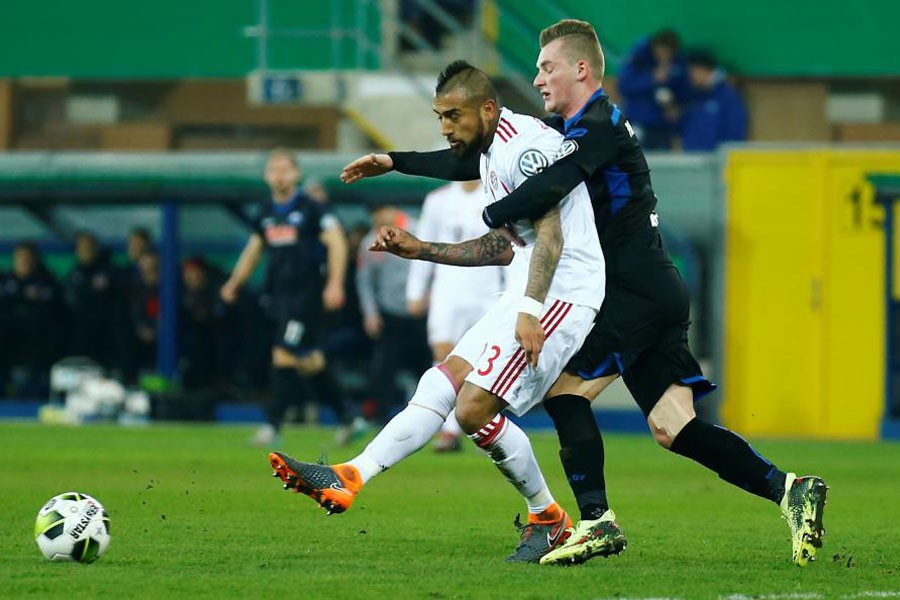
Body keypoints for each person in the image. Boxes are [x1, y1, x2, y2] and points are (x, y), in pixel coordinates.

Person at [338, 20, 827, 569]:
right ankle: (791, 489)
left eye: (547, 67)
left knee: (564, 393)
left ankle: (595, 522)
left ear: (581, 69)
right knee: (674, 427)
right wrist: (397, 161)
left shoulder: (600, 125)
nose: (538, 77)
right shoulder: (566, 126)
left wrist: (494, 213)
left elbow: (552, 184)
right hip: (652, 286)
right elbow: (472, 160)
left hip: (630, 287)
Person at [269, 60, 606, 564]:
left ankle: (550, 520)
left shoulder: (526, 149)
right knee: (441, 379)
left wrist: (531, 309)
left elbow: (551, 234)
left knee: (473, 410)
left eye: (453, 117)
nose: (445, 128)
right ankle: (351, 476)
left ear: (487, 109)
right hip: (529, 283)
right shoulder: (493, 150)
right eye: (439, 117)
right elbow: (502, 246)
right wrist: (419, 242)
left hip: (563, 289)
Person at [221, 148, 353, 447]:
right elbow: (255, 248)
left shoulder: (311, 208)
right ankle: (348, 416)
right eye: (273, 170)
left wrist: (335, 284)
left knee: (283, 353)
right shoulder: (267, 211)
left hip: (305, 297)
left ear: (296, 174)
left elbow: (337, 242)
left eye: (285, 169)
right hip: (279, 297)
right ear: (267, 176)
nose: (279, 175)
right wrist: (234, 282)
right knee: (310, 362)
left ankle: (272, 425)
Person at [405, 180, 507, 451]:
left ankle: (478, 424)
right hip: (447, 290)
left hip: (487, 290)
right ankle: (449, 430)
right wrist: (416, 290)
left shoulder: (495, 193)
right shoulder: (438, 200)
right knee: (444, 355)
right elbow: (422, 244)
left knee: (483, 361)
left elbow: (510, 245)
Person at [356, 202, 432, 423]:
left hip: (421, 312)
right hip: (390, 313)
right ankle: (378, 415)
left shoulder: (418, 230)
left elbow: (436, 267)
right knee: (383, 367)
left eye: (380, 212)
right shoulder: (369, 241)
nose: (377, 219)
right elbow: (365, 282)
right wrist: (370, 313)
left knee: (429, 366)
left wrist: (430, 296)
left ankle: (436, 416)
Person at [0, 242, 64, 398]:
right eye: (20, 257)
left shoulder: (47, 281)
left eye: (28, 258)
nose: (24, 261)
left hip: (37, 343)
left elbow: (54, 313)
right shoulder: (5, 280)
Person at [616, 29, 689, 151]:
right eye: (662, 51)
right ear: (655, 47)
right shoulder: (637, 58)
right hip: (638, 121)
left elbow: (684, 90)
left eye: (669, 53)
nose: (665, 56)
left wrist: (675, 106)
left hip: (664, 127)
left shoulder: (678, 64)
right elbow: (624, 85)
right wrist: (651, 79)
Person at [63, 231, 119, 369]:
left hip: (104, 326)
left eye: (89, 247)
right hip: (78, 326)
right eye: (82, 247)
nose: (85, 251)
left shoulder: (109, 271)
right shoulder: (74, 274)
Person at [680, 49, 748, 152]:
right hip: (692, 159)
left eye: (692, 71)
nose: (690, 77)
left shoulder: (727, 97)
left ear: (703, 70)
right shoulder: (694, 96)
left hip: (715, 162)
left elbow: (735, 133)